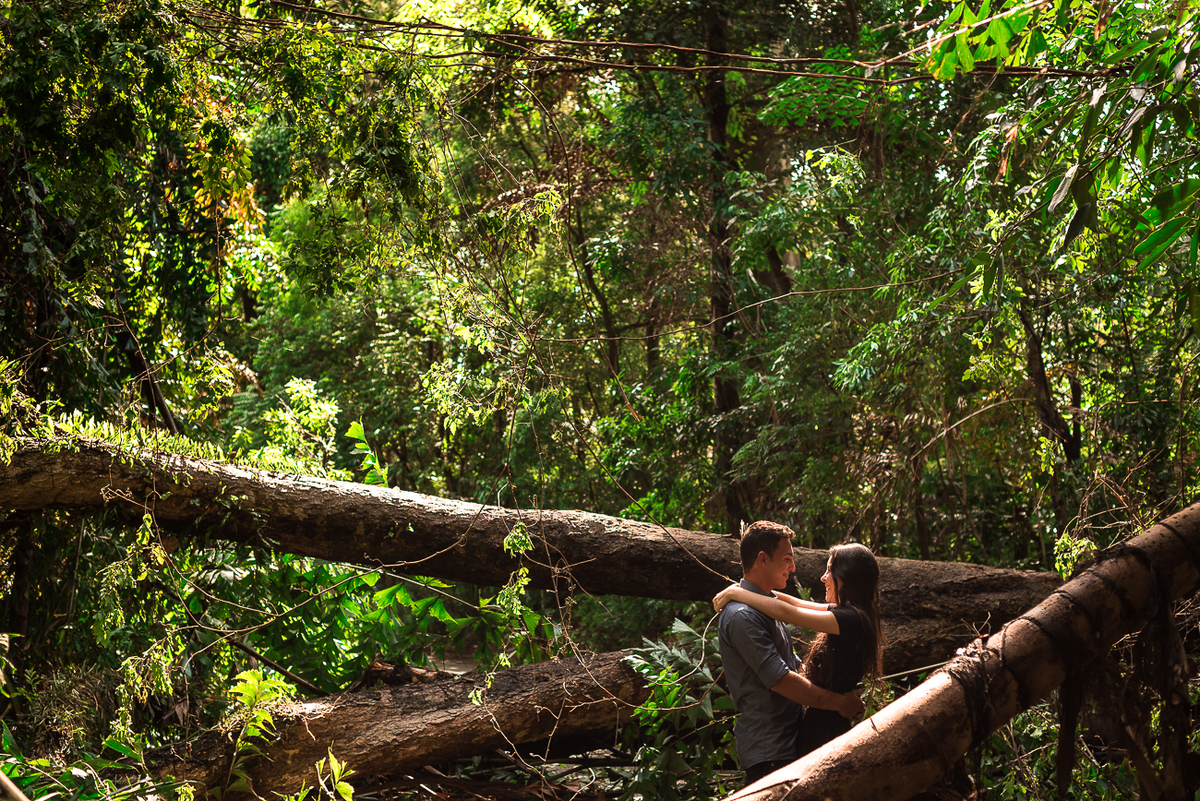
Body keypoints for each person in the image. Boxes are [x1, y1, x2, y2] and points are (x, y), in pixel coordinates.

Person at [716, 522, 866, 787]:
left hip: (792, 743)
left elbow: (794, 662)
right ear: (763, 559)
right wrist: (839, 703)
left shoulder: (766, 607)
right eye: (787, 559)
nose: (793, 567)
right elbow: (781, 679)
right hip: (771, 751)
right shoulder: (742, 616)